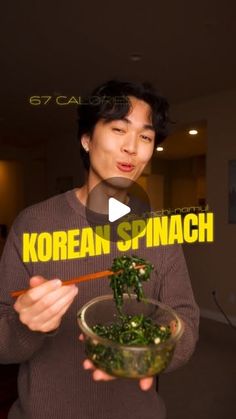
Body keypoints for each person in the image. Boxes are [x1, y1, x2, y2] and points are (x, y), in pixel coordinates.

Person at [0, 80, 199, 419]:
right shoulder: (32, 223)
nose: (132, 147)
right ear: (87, 139)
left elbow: (186, 320)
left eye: (146, 137)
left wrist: (155, 348)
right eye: (119, 129)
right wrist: (25, 325)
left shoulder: (161, 232)